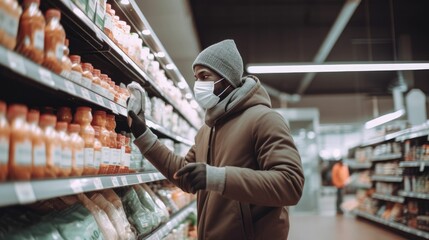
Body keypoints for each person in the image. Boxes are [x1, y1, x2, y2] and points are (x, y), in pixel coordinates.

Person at [127, 39, 304, 239]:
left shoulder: (264, 119)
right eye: (196, 78)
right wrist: (143, 134)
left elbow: (290, 184)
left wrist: (218, 178)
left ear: (227, 79)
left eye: (205, 76)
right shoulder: (207, 130)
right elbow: (185, 175)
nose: (198, 85)